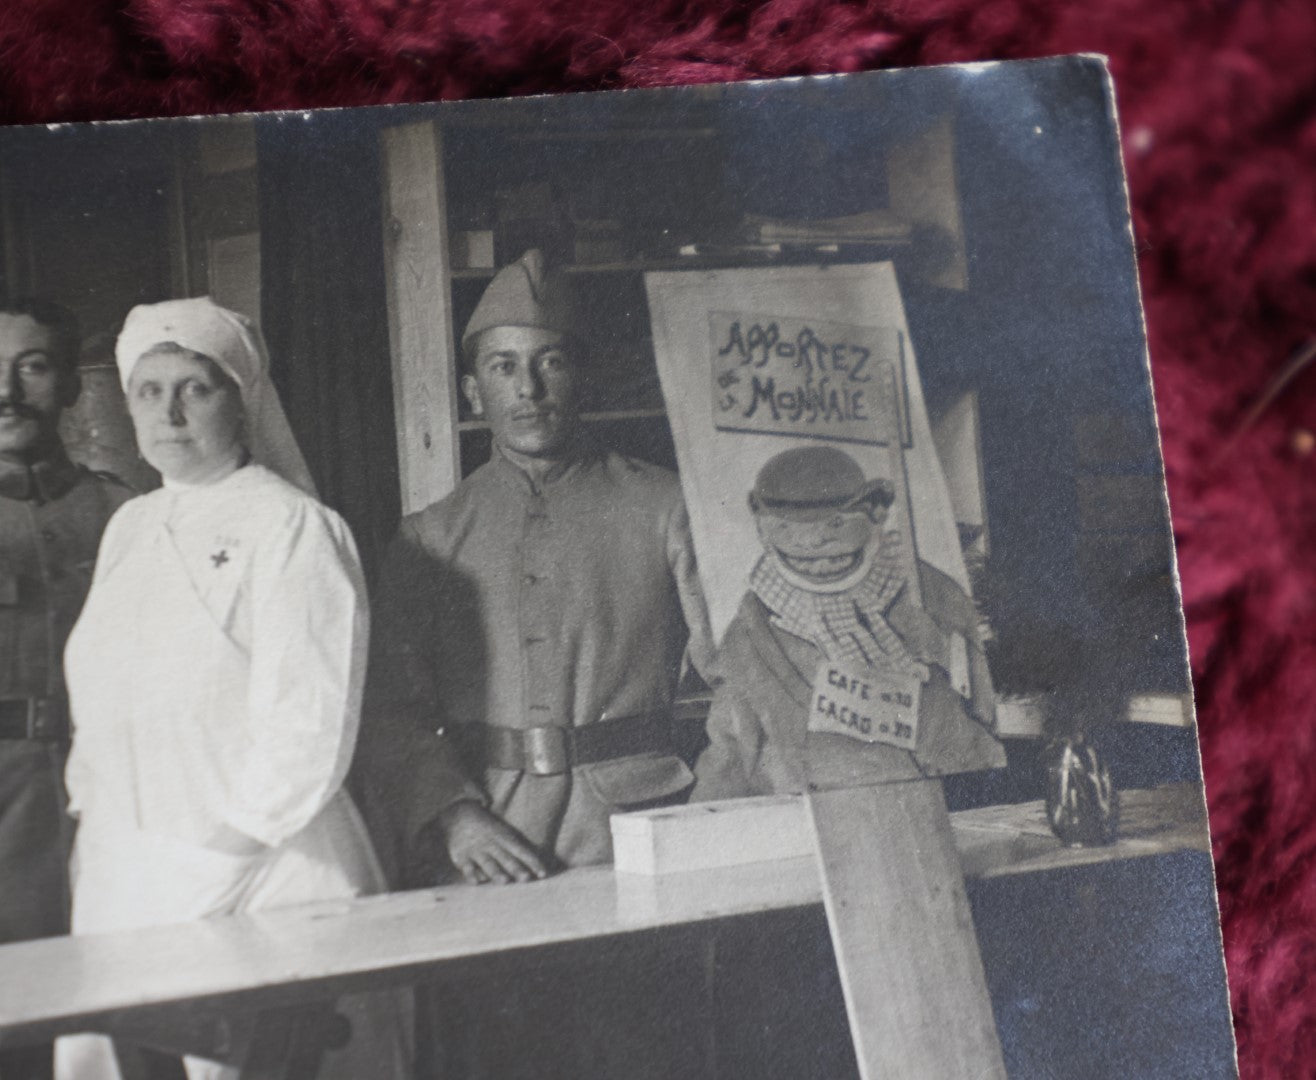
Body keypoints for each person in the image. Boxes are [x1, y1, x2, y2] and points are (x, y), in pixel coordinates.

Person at [359, 249, 717, 1079]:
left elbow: (743, 676)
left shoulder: (666, 505)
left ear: (583, 376)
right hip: (490, 839)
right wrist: (454, 816)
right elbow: (388, 711)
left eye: (551, 361)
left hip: (639, 834)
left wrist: (710, 815)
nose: (529, 389)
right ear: (471, 390)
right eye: (503, 366)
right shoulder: (428, 538)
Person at [54, 297, 410, 1080]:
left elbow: (306, 728)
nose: (169, 411)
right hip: (131, 879)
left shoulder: (294, 526)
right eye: (149, 390)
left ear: (242, 403)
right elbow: (103, 709)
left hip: (259, 869)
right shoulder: (132, 527)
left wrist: (209, 865)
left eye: (196, 388)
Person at [0, 297, 133, 1080]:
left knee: (112, 1017)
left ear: (73, 387)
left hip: (110, 804)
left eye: (33, 366)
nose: (7, 391)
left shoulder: (123, 513)